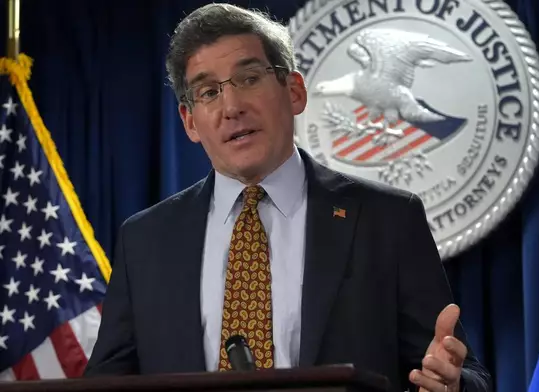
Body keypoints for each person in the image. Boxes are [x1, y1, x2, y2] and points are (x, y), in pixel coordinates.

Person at [84, 3, 491, 392]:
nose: (232, 107)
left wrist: (450, 384)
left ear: (294, 91)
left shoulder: (387, 221)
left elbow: (467, 375)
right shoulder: (147, 240)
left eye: (249, 79)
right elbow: (104, 386)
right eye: (208, 92)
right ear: (190, 121)